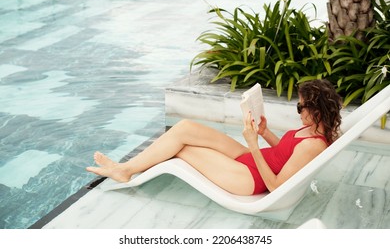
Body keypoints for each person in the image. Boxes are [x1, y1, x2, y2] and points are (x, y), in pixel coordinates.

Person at [86, 79, 342, 196]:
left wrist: (253, 145)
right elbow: (286, 153)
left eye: (301, 108)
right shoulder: (312, 130)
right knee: (185, 128)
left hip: (251, 180)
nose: (297, 111)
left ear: (317, 111)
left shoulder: (313, 146)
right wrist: (264, 134)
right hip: (252, 160)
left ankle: (125, 171)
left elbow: (276, 185)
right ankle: (126, 168)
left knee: (182, 150)